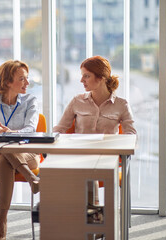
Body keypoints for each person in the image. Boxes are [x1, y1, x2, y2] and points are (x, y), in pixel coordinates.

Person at [52, 55, 136, 220]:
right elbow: (60, 129)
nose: (82, 80)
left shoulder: (121, 105)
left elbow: (131, 134)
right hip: (79, 155)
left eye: (86, 76)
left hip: (107, 158)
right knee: (70, 169)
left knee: (89, 169)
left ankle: (91, 219)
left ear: (101, 78)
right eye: (82, 75)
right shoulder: (77, 101)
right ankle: (92, 219)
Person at [0, 60, 40, 240]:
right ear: (7, 82)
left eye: (27, 78)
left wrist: (10, 133)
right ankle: (32, 178)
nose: (27, 83)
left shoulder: (30, 100)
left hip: (26, 153)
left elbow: (31, 129)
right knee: (3, 153)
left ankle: (1, 222)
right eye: (22, 79)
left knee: (3, 159)